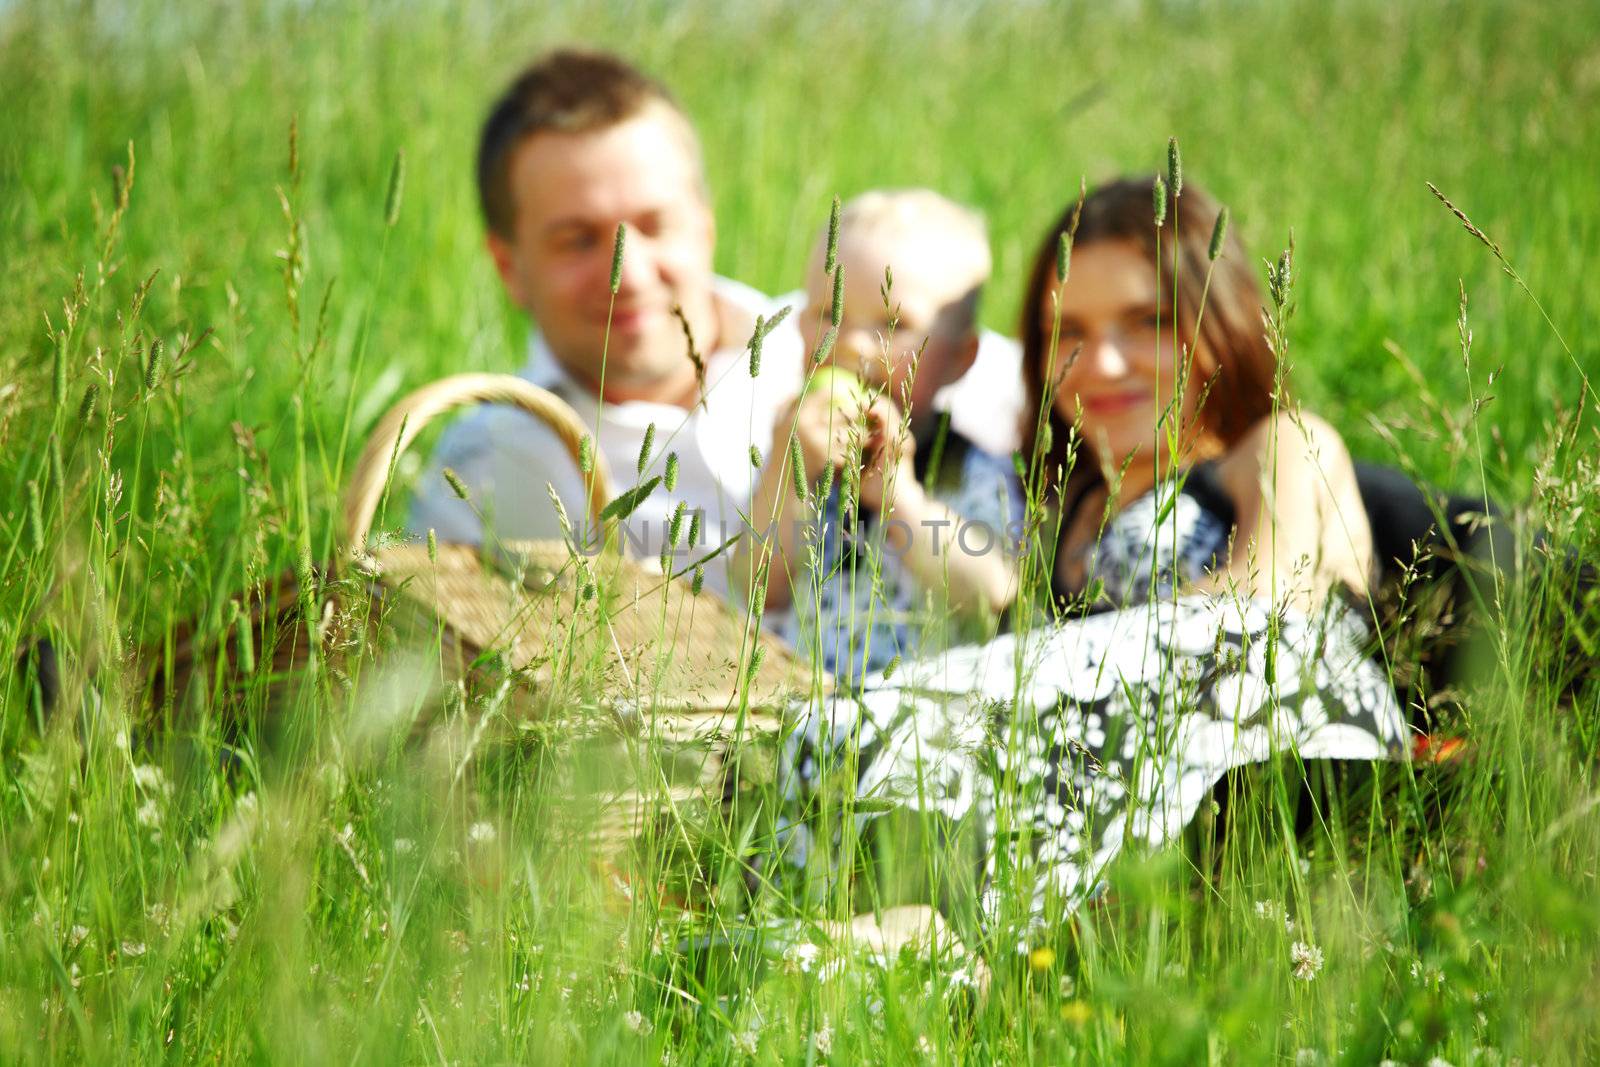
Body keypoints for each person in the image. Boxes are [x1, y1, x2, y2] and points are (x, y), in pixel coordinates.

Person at [779, 176, 1409, 942]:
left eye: (1147, 321)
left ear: (1221, 318)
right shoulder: (1056, 509)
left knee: (849, 740)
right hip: (1088, 853)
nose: (1100, 363)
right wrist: (890, 494)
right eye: (1064, 331)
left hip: (1267, 809)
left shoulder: (1276, 447)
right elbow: (996, 614)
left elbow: (1267, 605)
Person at [408, 49, 804, 598]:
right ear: (509, 268)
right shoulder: (485, 471)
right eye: (579, 240)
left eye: (654, 225)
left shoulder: (852, 342)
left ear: (705, 228)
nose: (630, 275)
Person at [742, 190, 1025, 687]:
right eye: (830, 315)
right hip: (803, 716)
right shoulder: (797, 456)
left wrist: (900, 499)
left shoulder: (969, 468)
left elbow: (993, 596)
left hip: (919, 728)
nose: (849, 344)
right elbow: (756, 587)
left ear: (961, 357)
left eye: (893, 325)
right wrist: (786, 477)